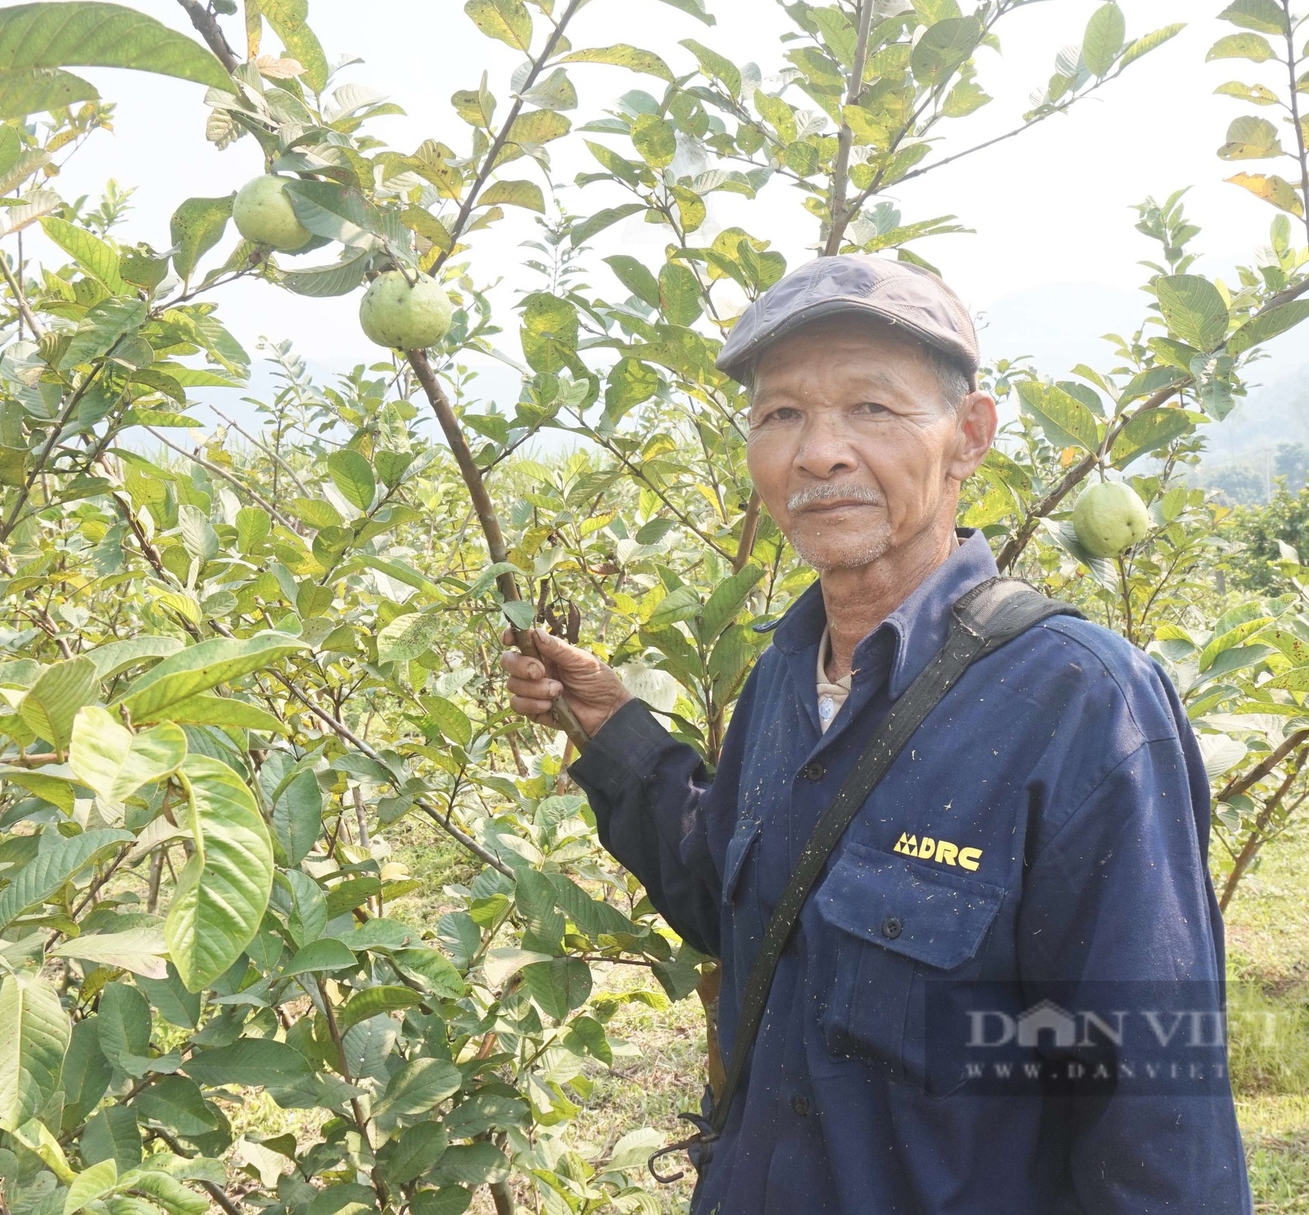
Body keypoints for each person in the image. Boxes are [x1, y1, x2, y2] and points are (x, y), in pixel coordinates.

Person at [501, 256, 1252, 1213]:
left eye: (873, 409)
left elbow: (1153, 1109)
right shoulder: (786, 669)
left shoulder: (1081, 705)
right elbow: (727, 899)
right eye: (780, 416)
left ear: (968, 437)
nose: (818, 453)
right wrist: (611, 727)